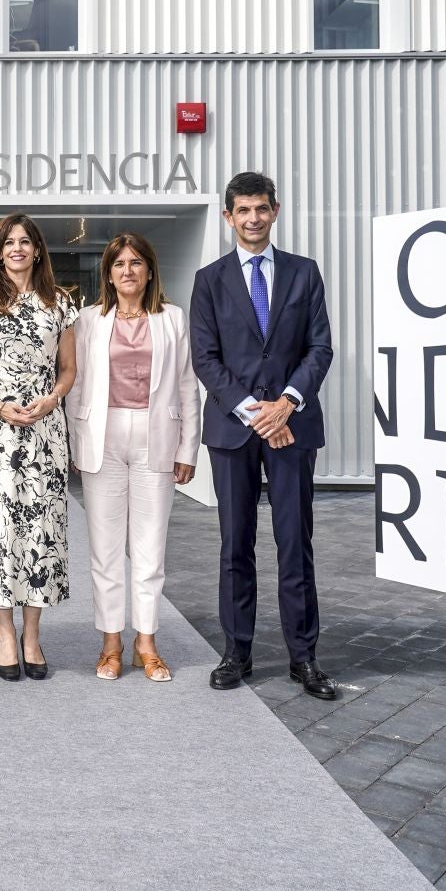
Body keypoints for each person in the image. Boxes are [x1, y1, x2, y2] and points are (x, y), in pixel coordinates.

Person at [189, 172, 337, 700]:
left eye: (261, 209)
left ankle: (305, 658)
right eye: (242, 210)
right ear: (228, 217)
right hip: (234, 430)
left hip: (293, 426)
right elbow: (205, 358)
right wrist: (257, 413)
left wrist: (287, 405)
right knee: (236, 544)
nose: (252, 218)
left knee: (296, 543)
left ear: (276, 211)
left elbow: (320, 348)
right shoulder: (209, 280)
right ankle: (238, 652)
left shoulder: (304, 273)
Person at [67, 234, 200, 682]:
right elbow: (77, 385)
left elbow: (187, 385)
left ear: (149, 271)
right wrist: (74, 442)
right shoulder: (88, 320)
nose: (128, 270)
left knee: (149, 549)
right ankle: (110, 642)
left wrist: (188, 447)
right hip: (102, 438)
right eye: (119, 263)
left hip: (155, 437)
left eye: (136, 263)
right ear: (108, 272)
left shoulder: (173, 319)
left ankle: (146, 641)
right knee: (105, 551)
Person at [0, 214, 78, 681]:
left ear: (38, 250)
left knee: (41, 533)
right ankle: (5, 634)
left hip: (46, 433)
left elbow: (68, 369)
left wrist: (50, 399)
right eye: (9, 242)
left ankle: (33, 635)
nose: (18, 249)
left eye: (26, 241)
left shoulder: (61, 303)